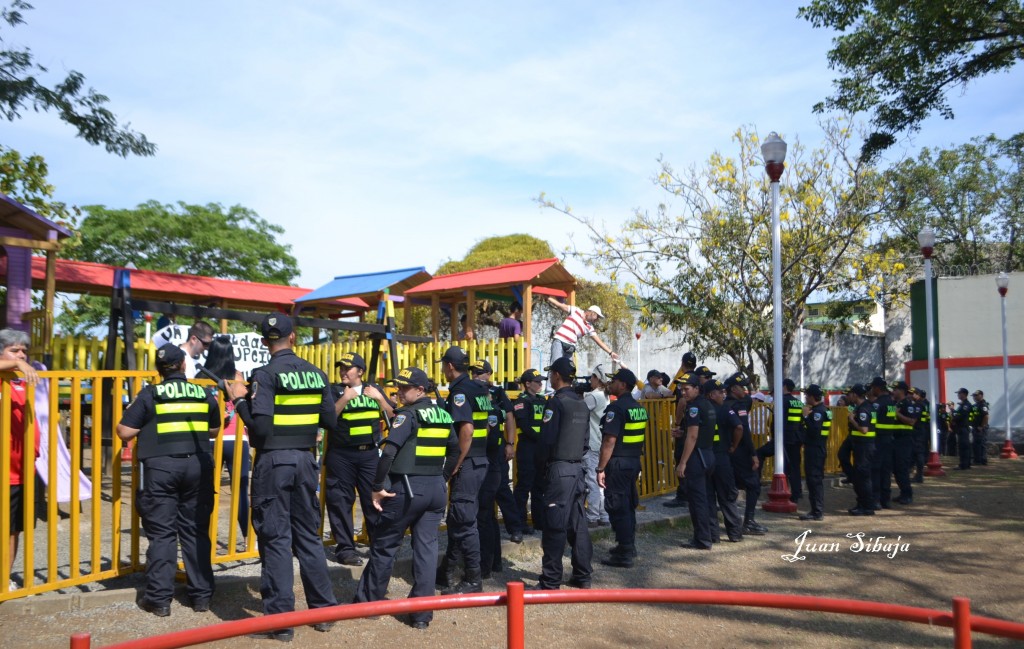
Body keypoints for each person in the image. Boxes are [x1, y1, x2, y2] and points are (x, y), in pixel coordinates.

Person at [227, 313, 338, 641]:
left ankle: (280, 623)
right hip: (305, 461)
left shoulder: (265, 374)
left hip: (274, 463)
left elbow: (259, 430)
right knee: (307, 536)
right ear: (294, 337)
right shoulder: (316, 375)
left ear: (264, 342)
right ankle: (324, 611)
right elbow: (329, 421)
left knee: (275, 539)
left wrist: (238, 399)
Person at [117, 344, 220, 616]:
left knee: (162, 534)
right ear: (183, 365)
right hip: (197, 469)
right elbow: (214, 429)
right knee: (195, 531)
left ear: (159, 369)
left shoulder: (150, 394)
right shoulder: (204, 392)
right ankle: (201, 597)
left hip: (161, 471)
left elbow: (125, 432)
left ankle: (159, 601)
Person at [353, 367, 459, 630]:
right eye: (397, 387)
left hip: (408, 488)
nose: (398, 392)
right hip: (435, 489)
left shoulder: (408, 416)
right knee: (426, 550)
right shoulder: (444, 415)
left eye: (404, 388)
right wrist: (442, 477)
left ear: (420, 390)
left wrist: (376, 486)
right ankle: (421, 615)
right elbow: (455, 451)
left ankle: (370, 605)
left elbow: (388, 454)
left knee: (385, 545)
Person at [323, 351, 393, 567]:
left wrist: (380, 398)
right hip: (341, 454)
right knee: (340, 501)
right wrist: (345, 398)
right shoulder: (335, 391)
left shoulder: (375, 390)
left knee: (373, 500)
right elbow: (327, 419)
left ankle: (377, 546)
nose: (343, 372)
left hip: (369, 454)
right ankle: (345, 549)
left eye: (347, 368)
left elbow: (393, 416)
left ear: (360, 371)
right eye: (341, 368)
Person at [533, 356, 593, 589]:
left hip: (558, 470)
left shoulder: (556, 403)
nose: (549, 377)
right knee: (578, 525)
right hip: (577, 469)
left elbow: (546, 441)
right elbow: (586, 442)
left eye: (551, 374)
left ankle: (550, 579)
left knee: (555, 525)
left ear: (557, 375)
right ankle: (582, 575)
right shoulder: (581, 403)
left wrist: (541, 469)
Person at [435, 346, 490, 595]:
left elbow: (466, 431)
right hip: (479, 461)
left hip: (467, 464)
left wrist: (454, 465)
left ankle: (472, 580)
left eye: (443, 365)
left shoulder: (459, 392)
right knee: (460, 519)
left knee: (465, 522)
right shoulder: (479, 389)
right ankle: (446, 572)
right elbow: (485, 427)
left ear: (449, 366)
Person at [471, 359, 519, 579]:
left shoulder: (497, 396)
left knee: (493, 504)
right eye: (474, 372)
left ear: (489, 374)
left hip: (492, 456)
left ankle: (489, 562)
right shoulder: (481, 397)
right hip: (486, 457)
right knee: (488, 513)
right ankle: (494, 560)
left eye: (481, 372)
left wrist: (510, 443)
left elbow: (509, 417)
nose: (477, 375)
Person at [0, 329, 40, 592]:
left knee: (14, 529)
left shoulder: (21, 381)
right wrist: (15, 363)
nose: (22, 355)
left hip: (22, 469)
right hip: (3, 469)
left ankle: (4, 578)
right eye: (14, 350)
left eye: (24, 351)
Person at [597, 367, 648, 567]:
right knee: (627, 504)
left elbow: (609, 441)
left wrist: (600, 468)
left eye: (615, 381)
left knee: (617, 506)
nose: (612, 384)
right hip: (633, 461)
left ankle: (624, 552)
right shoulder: (638, 407)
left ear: (623, 385)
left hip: (618, 462)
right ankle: (627, 546)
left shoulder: (616, 408)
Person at [202, 335, 250, 544]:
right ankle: (249, 538)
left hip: (211, 439)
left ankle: (203, 536)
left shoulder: (200, 377)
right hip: (238, 439)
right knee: (240, 492)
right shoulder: (239, 377)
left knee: (205, 490)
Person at [675, 372, 716, 550]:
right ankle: (712, 535)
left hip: (697, 458)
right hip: (708, 455)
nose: (684, 393)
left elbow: (693, 436)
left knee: (697, 500)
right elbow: (698, 431)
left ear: (697, 389)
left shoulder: (693, 408)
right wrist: (682, 433)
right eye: (682, 389)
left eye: (687, 389)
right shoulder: (707, 404)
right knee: (707, 498)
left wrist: (682, 462)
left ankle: (702, 539)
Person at [723, 372, 767, 536]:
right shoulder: (739, 406)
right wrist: (753, 454)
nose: (745, 390)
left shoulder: (726, 404)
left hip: (726, 451)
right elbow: (744, 431)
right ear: (733, 389)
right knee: (754, 484)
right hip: (739, 450)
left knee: (731, 486)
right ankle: (748, 522)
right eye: (742, 387)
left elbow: (748, 400)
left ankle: (735, 523)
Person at [705, 379, 743, 542]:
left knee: (708, 498)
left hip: (706, 457)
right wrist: (734, 446)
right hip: (721, 457)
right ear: (711, 395)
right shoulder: (726, 410)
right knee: (727, 496)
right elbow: (739, 427)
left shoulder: (702, 409)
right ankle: (734, 533)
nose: (723, 394)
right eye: (720, 392)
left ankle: (713, 535)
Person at [511, 368, 547, 540]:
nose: (541, 384)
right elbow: (524, 426)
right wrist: (542, 438)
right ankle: (521, 522)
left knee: (539, 486)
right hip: (527, 447)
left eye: (541, 381)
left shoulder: (543, 400)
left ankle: (539, 520)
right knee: (524, 486)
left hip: (540, 448)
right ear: (527, 384)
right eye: (537, 381)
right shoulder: (521, 401)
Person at [664, 351, 698, 509]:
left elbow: (682, 402)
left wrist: (677, 422)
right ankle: (693, 494)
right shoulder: (699, 380)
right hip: (698, 425)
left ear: (683, 364)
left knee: (681, 457)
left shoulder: (683, 381)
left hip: (685, 426)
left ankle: (683, 495)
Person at [546, 297, 619, 364]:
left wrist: (610, 352)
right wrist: (548, 297)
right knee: (555, 365)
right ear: (592, 313)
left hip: (570, 346)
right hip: (560, 340)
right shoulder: (576, 311)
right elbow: (561, 306)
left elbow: (599, 341)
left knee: (568, 370)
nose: (597, 320)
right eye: (597, 317)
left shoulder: (590, 327)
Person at [582, 365, 610, 529]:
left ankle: (592, 516)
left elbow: (579, 410)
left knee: (592, 480)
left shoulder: (594, 396)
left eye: (591, 377)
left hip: (592, 443)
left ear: (597, 379)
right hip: (601, 442)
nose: (589, 381)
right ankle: (604, 515)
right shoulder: (605, 395)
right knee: (601, 481)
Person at [799, 384, 831, 521]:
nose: (805, 397)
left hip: (815, 449)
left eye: (807, 395)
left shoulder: (818, 412)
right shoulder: (824, 409)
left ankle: (817, 511)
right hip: (818, 448)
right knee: (814, 480)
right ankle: (816, 510)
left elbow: (814, 431)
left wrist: (805, 417)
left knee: (814, 480)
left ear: (812, 397)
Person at [845, 384, 877, 516]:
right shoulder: (868, 406)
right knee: (861, 476)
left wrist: (852, 420)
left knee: (863, 477)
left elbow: (864, 429)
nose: (849, 396)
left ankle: (867, 506)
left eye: (851, 394)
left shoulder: (863, 409)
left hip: (864, 446)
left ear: (855, 395)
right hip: (864, 446)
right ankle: (862, 504)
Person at [889, 381, 919, 505]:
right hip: (895, 440)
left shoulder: (908, 404)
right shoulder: (897, 403)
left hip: (904, 441)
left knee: (902, 468)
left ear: (901, 390)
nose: (893, 392)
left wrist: (897, 414)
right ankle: (903, 493)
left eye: (895, 390)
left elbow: (912, 421)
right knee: (896, 469)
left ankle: (907, 494)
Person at [868, 376, 895, 508]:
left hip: (878, 440)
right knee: (886, 470)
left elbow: (872, 422)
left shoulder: (878, 404)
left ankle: (876, 499)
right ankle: (886, 499)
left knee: (876, 470)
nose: (872, 389)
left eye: (873, 387)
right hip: (889, 440)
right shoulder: (891, 402)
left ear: (877, 388)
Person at [910, 388, 931, 482]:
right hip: (921, 430)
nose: (910, 395)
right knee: (918, 453)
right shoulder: (922, 404)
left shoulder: (918, 405)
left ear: (917, 394)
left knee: (919, 453)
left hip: (919, 432)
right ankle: (918, 474)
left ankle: (919, 475)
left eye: (912, 394)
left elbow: (913, 421)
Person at [952, 388, 973, 470]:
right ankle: (966, 463)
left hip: (963, 428)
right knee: (963, 446)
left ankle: (964, 464)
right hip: (961, 428)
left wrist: (954, 418)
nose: (958, 395)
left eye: (959, 393)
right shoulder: (962, 405)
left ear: (964, 394)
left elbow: (961, 416)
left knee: (963, 447)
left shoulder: (966, 405)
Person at [971, 390, 990, 466]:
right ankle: (977, 460)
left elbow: (986, 416)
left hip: (981, 428)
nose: (974, 397)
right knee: (976, 444)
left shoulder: (983, 405)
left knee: (981, 444)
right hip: (975, 427)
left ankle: (983, 460)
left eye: (976, 395)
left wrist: (982, 426)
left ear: (981, 395)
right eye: (973, 396)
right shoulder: (976, 405)